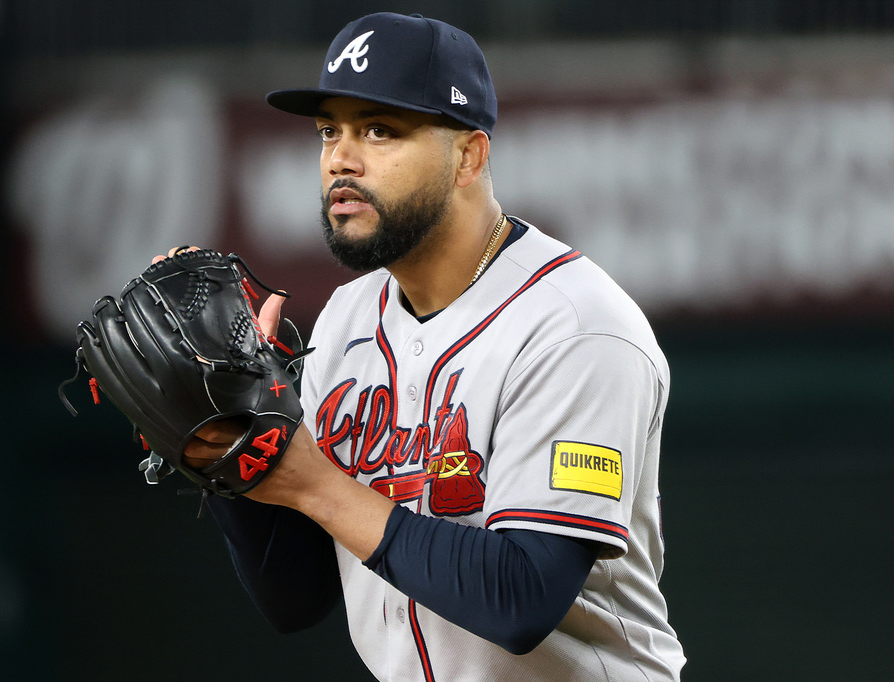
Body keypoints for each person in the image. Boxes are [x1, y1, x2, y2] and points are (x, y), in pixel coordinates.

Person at [179, 12, 686, 681]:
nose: (341, 158)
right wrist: (230, 455)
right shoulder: (347, 319)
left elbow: (523, 599)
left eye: (379, 130)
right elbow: (297, 598)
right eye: (330, 130)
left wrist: (316, 484)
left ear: (469, 157)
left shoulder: (576, 327)